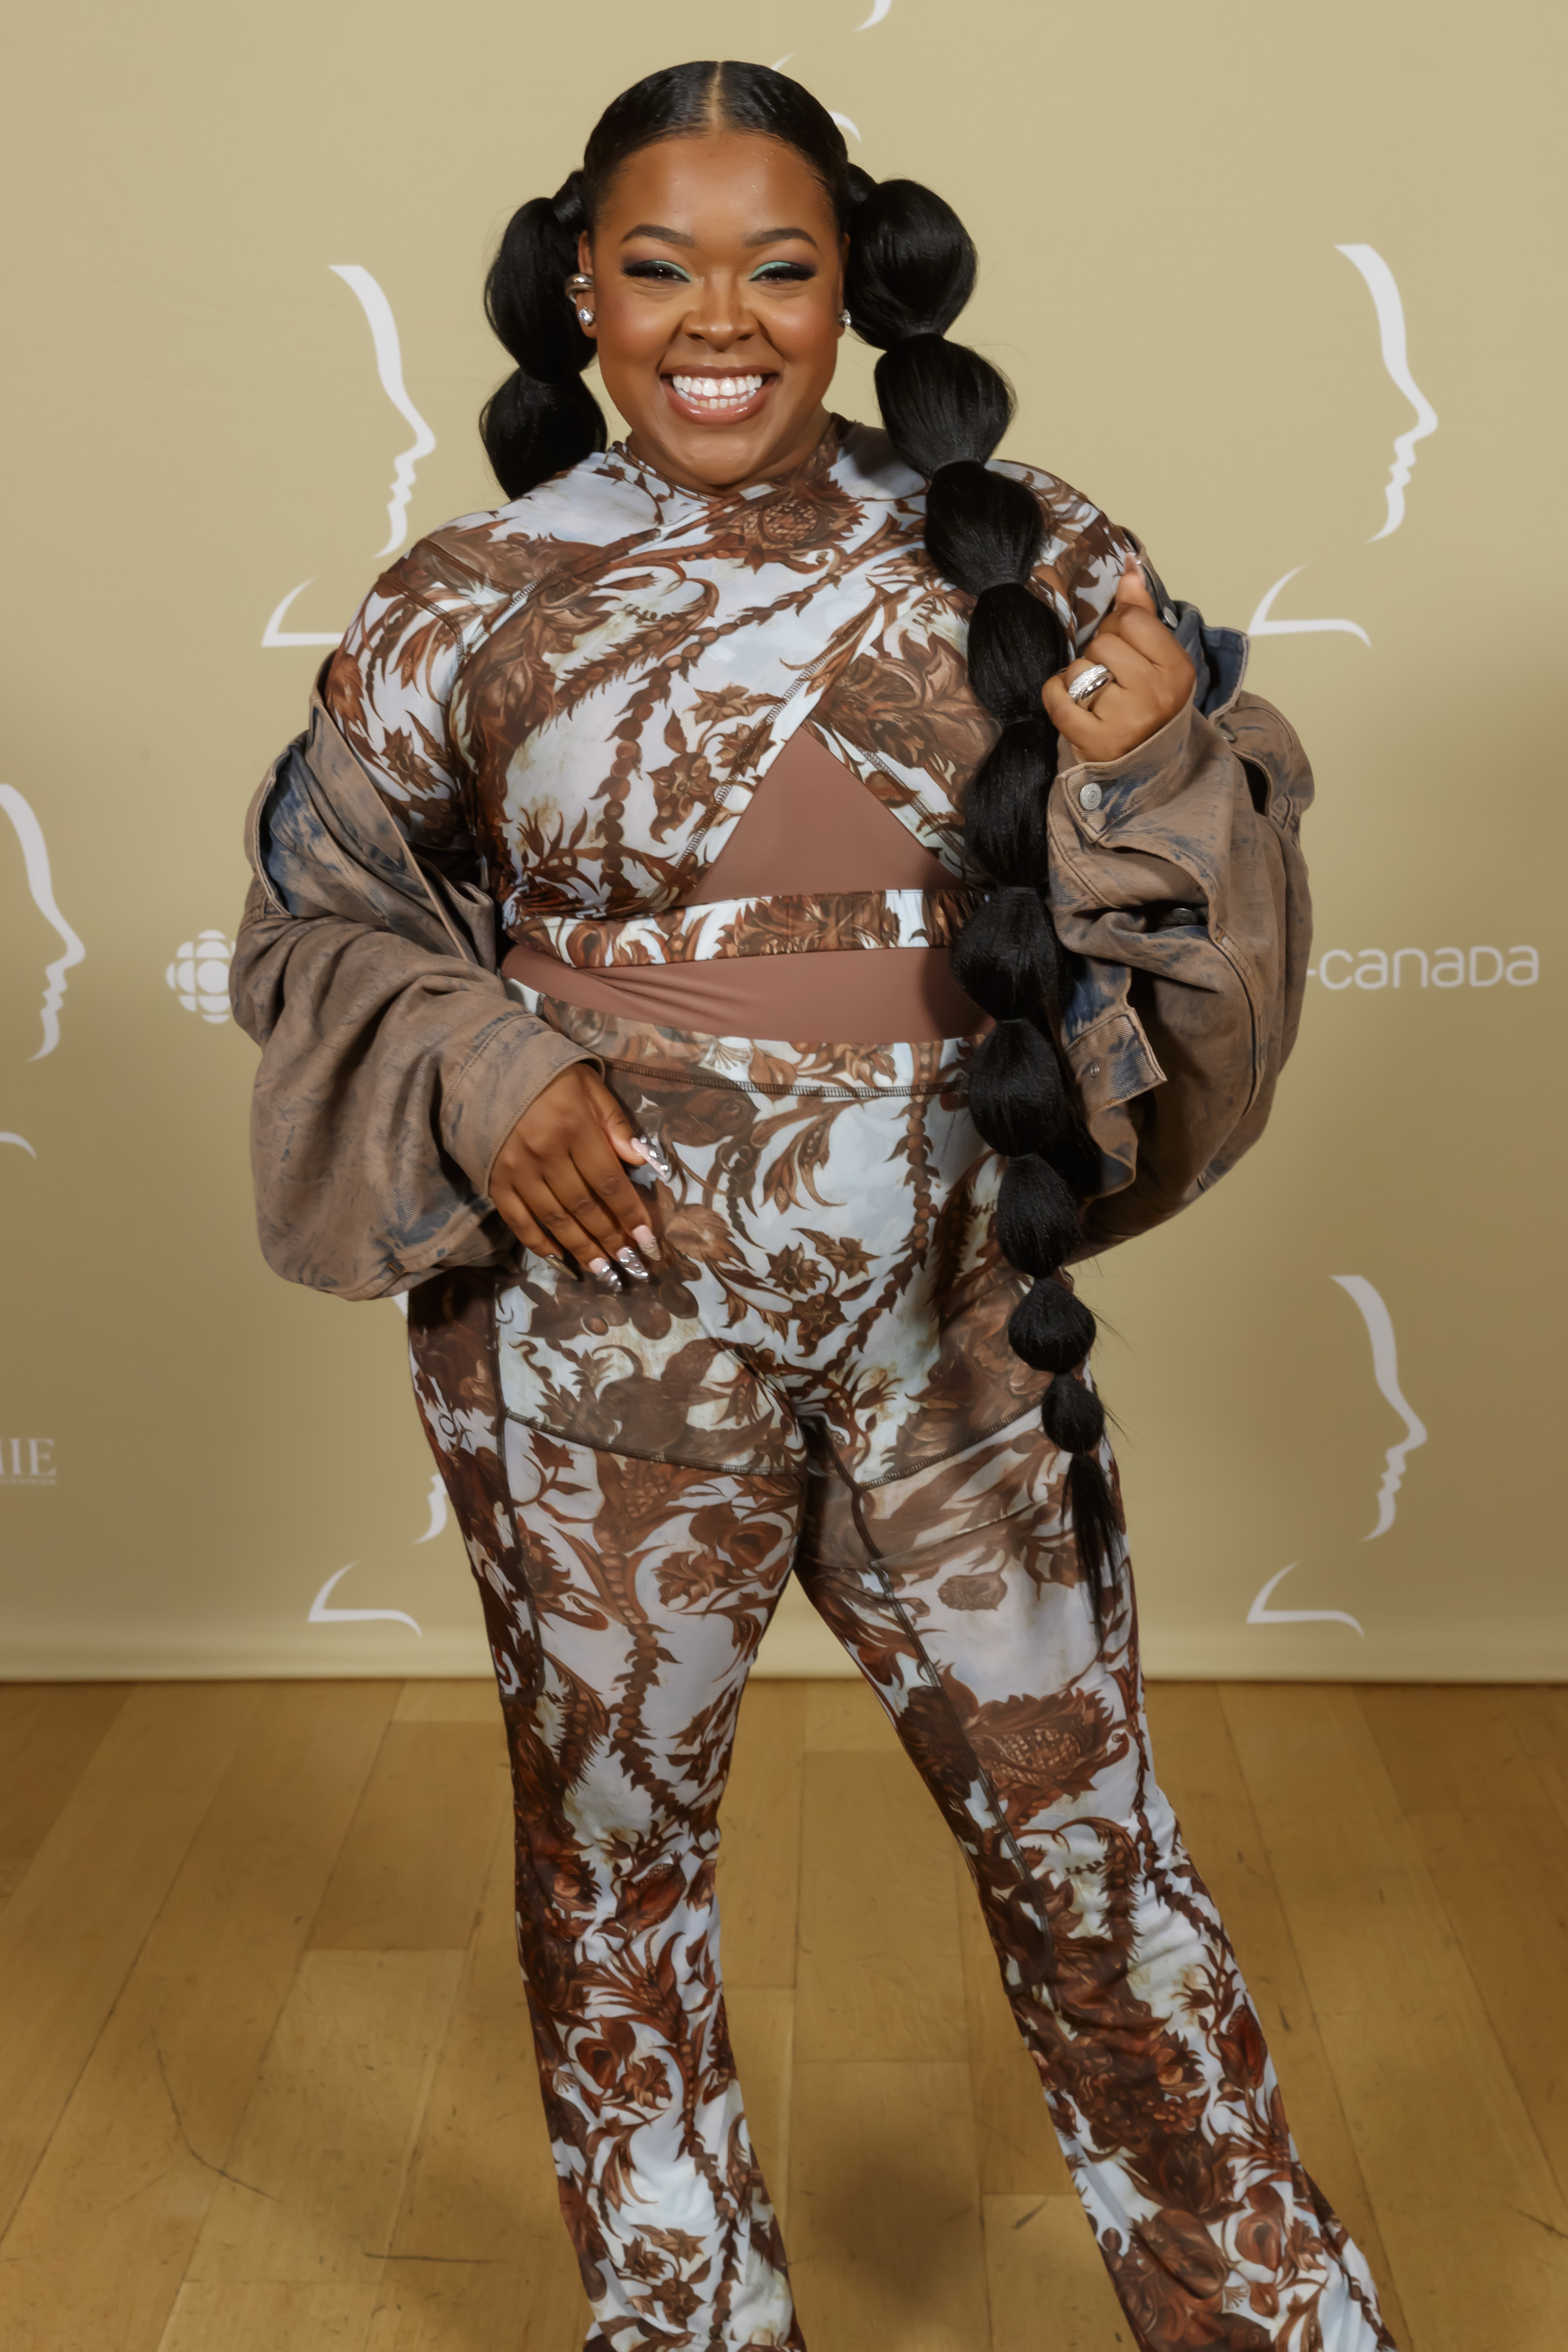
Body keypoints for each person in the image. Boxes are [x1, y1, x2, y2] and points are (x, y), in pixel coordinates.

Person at [233, 58, 1393, 2352]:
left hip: (965, 1324)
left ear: (856, 284)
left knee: (1093, 1849)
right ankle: (689, 2323)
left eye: (778, 267)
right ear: (582, 290)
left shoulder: (1026, 548)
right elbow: (315, 923)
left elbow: (1224, 852)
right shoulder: (467, 596)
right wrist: (485, 1061)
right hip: (591, 1341)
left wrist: (1167, 765)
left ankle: (1273, 2319)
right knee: (617, 1867)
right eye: (659, 269)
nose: (718, 320)